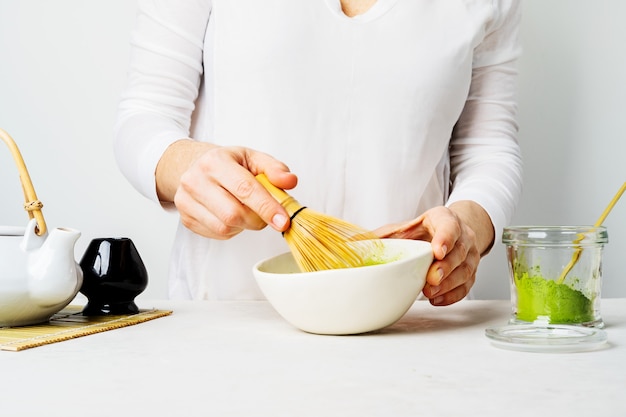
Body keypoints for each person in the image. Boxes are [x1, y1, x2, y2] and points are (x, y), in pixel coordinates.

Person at [114, 0, 523, 306]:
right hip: (230, 316)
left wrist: (468, 228)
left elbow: (488, 146)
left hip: (408, 316)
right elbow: (145, 117)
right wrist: (187, 167)